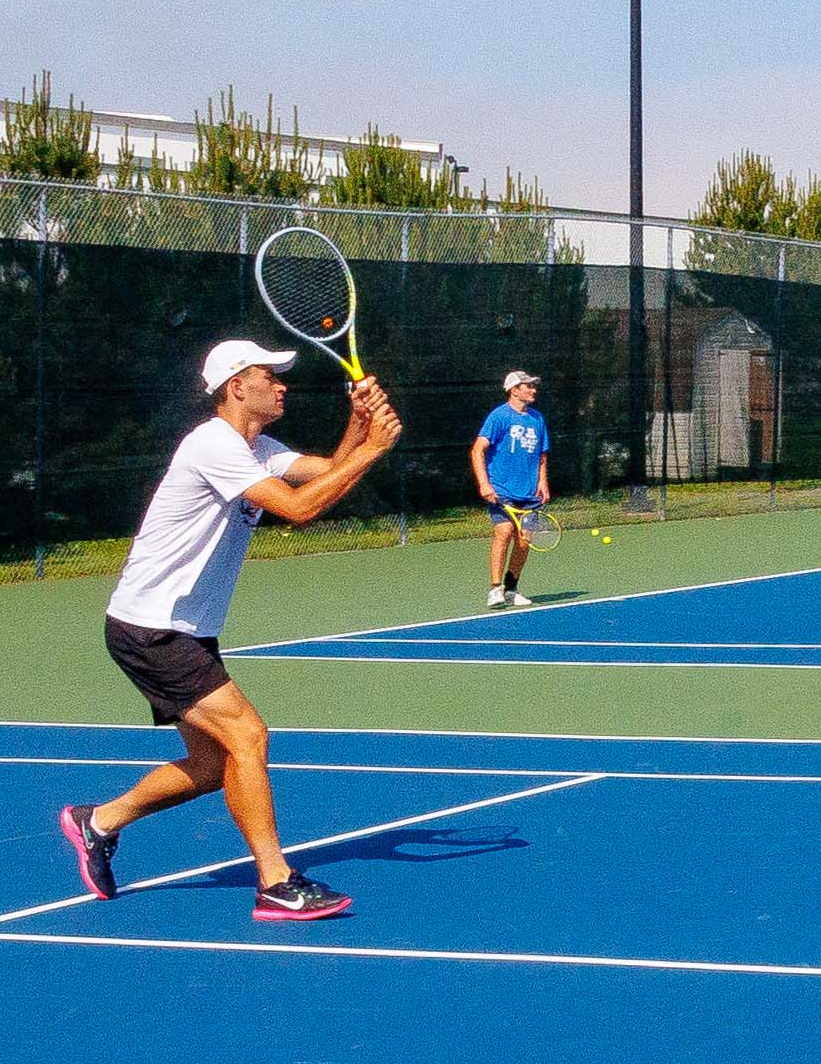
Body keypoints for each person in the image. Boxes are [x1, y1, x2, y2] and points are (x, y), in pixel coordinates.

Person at [57, 340, 403, 923]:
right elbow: (299, 509)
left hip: (186, 628)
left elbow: (325, 474)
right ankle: (275, 882)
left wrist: (359, 426)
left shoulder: (256, 447)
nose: (282, 385)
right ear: (237, 386)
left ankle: (98, 822)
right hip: (153, 625)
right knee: (248, 734)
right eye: (271, 376)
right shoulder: (212, 445)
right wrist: (370, 449)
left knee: (217, 764)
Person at [471, 369, 550, 608]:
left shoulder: (537, 419)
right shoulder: (499, 417)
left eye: (533, 386)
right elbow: (477, 450)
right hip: (501, 490)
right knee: (504, 532)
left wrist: (542, 481)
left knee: (524, 541)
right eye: (528, 386)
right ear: (514, 390)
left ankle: (511, 588)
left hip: (529, 493)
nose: (533, 390)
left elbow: (542, 454)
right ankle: (495, 589)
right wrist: (484, 483)